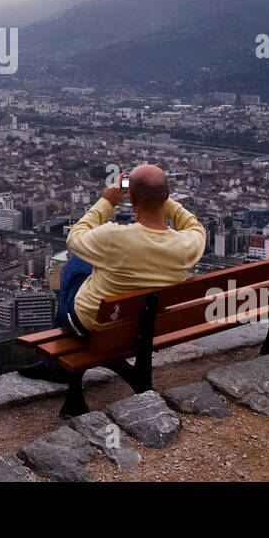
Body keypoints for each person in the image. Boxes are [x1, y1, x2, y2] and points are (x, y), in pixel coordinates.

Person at [19, 164, 206, 383]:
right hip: (149, 328)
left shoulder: (113, 238)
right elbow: (195, 227)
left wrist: (107, 201)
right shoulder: (187, 245)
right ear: (166, 195)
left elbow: (75, 237)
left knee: (76, 262)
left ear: (133, 199)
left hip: (95, 328)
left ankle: (53, 366)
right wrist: (162, 200)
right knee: (93, 265)